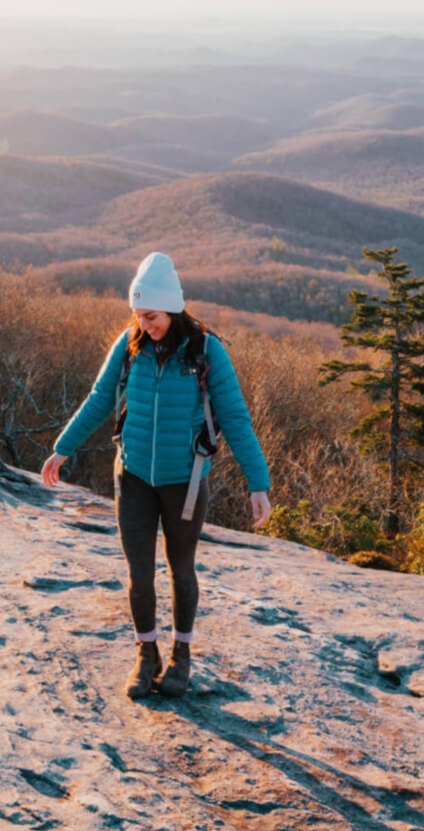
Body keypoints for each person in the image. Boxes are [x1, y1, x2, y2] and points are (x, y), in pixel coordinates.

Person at [41, 251, 271, 701]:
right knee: (139, 574)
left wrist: (257, 483)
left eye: (152, 315)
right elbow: (99, 398)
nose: (145, 324)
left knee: (181, 570)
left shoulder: (207, 351)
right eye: (139, 315)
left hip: (185, 481)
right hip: (133, 480)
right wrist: (62, 448)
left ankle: (181, 657)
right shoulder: (129, 346)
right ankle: (147, 655)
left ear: (173, 307)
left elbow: (236, 418)